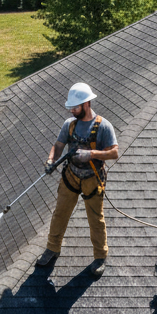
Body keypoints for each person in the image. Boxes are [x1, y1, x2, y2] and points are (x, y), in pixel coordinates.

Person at [36, 82, 118, 278]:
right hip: (70, 176)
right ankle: (52, 248)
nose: (72, 110)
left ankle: (100, 257)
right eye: (71, 107)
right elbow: (58, 145)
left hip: (92, 179)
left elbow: (114, 152)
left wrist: (91, 154)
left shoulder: (103, 126)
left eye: (76, 107)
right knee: (60, 214)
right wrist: (50, 160)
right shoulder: (69, 124)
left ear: (87, 104)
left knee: (96, 220)